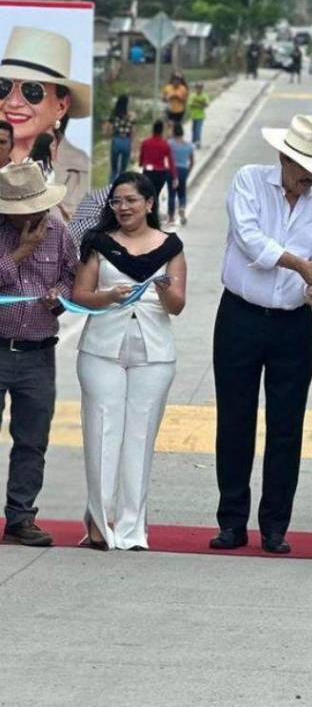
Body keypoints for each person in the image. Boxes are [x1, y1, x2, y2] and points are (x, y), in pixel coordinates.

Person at [210, 114, 312, 554]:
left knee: (287, 425)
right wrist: (299, 265)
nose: (308, 180)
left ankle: (275, 526)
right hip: (240, 316)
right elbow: (250, 239)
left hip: (290, 323)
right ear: (284, 157)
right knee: (235, 420)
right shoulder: (249, 181)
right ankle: (232, 521)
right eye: (302, 169)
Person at [72, 172, 186, 550]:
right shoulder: (100, 243)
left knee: (140, 436)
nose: (123, 208)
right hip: (103, 345)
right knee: (102, 431)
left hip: (153, 349)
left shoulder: (170, 246)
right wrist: (108, 297)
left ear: (149, 204)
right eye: (117, 201)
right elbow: (81, 294)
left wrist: (164, 290)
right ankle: (100, 524)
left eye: (131, 200)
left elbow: (178, 306)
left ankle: (133, 528)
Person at [0, 163, 78, 547]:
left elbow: (73, 275)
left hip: (38, 354)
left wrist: (59, 295)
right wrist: (21, 252)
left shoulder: (59, 231)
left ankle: (21, 516)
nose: (27, 217)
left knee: (32, 439)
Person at [0, 26, 93, 167]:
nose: (14, 102)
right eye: (3, 87)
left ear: (61, 107)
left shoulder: (80, 171)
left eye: (32, 91)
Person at [137, 120, 176, 222]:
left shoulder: (146, 143)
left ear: (153, 130)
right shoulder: (165, 145)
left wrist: (141, 164)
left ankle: (148, 215)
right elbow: (170, 161)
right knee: (156, 194)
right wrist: (174, 176)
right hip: (161, 173)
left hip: (148, 172)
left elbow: (141, 158)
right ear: (161, 131)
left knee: (148, 194)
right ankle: (153, 215)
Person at [166, 123, 194, 227]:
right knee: (182, 192)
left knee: (171, 194)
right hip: (183, 170)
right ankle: (182, 207)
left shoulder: (170, 143)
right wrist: (188, 171)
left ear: (174, 132)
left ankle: (171, 217)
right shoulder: (189, 145)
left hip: (172, 170)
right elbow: (192, 161)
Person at [106, 96, 135, 179]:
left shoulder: (114, 114)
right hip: (126, 140)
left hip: (116, 139)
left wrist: (109, 135)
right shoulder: (130, 115)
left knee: (114, 169)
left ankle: (111, 187)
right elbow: (133, 130)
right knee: (123, 169)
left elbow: (109, 127)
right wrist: (132, 143)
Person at [188, 83, 210, 149]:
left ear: (202, 89)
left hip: (200, 116)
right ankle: (193, 142)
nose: (199, 89)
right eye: (197, 88)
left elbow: (207, 104)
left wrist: (197, 104)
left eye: (200, 88)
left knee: (198, 130)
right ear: (196, 88)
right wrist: (200, 105)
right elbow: (190, 104)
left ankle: (198, 142)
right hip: (193, 115)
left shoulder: (204, 96)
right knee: (193, 129)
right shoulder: (192, 95)